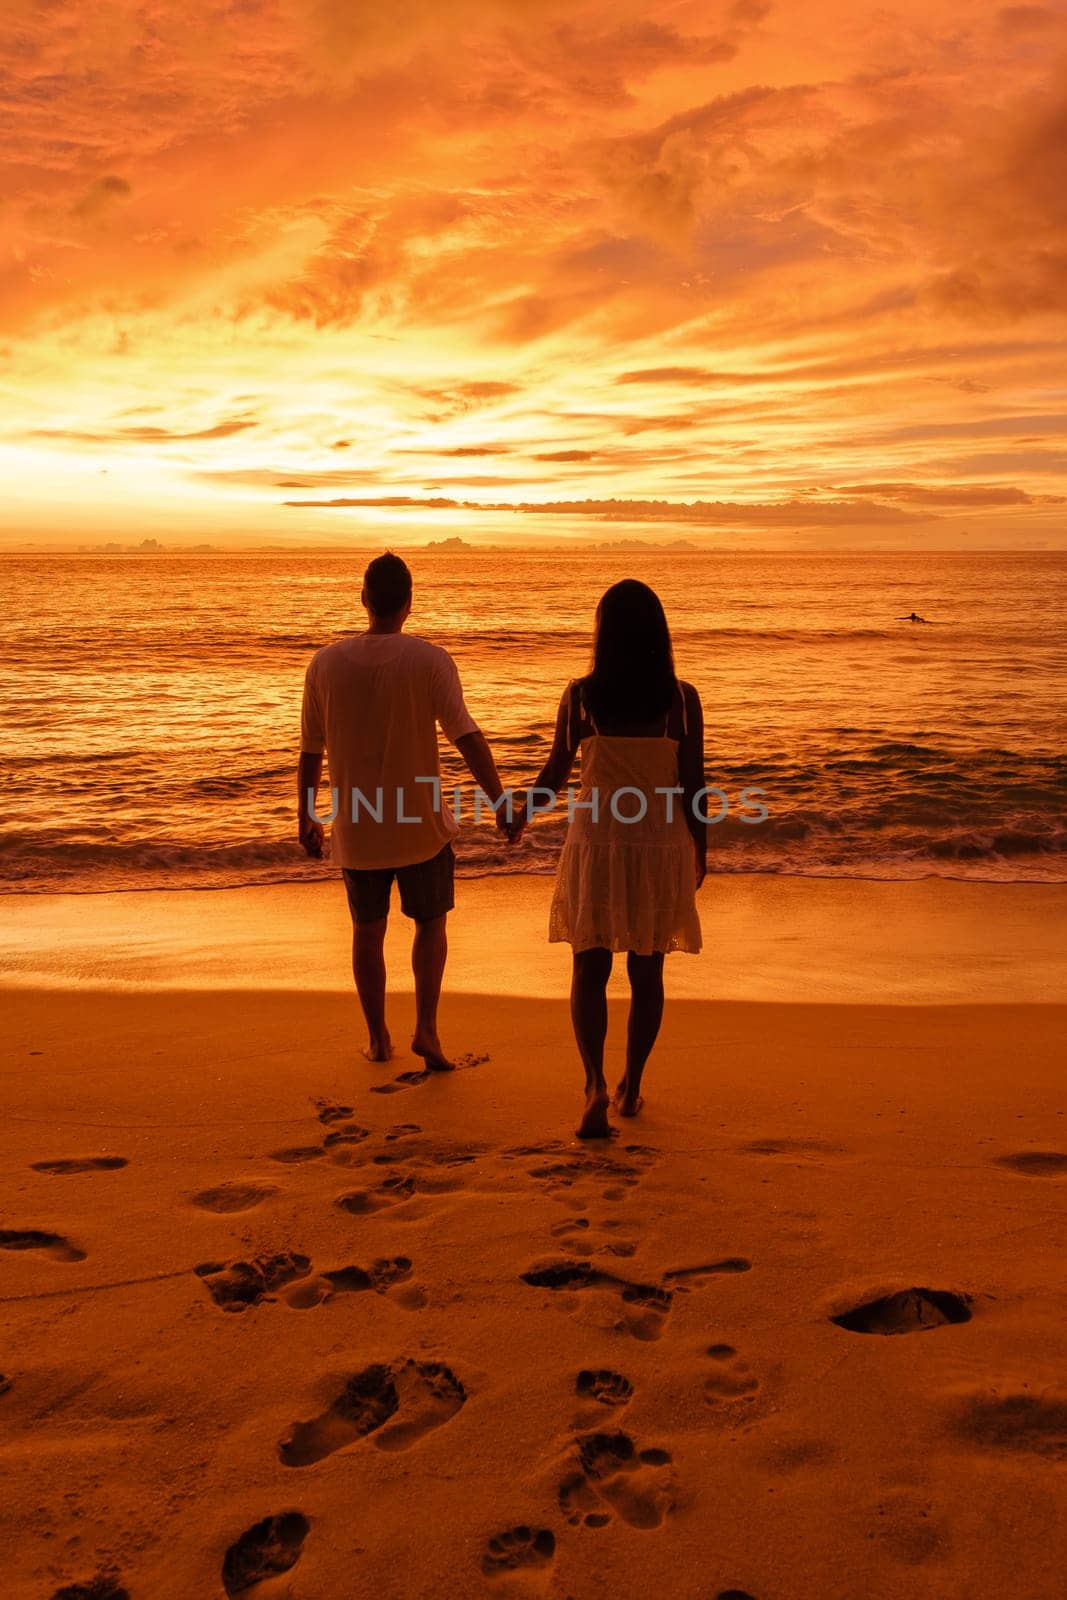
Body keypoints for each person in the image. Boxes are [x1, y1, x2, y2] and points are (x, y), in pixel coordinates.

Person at [298, 551, 510, 1071]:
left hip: (359, 826)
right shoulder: (430, 660)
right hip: (421, 827)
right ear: (408, 603)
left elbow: (310, 750)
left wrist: (307, 814)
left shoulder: (325, 663)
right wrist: (502, 803)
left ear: (364, 598)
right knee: (430, 925)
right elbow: (467, 737)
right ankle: (428, 1032)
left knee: (367, 931)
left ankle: (377, 1038)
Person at [511, 580, 706, 1139]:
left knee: (588, 968)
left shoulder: (581, 697)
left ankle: (594, 1081)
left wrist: (520, 811)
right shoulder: (681, 701)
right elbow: (693, 785)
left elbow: (553, 776)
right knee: (647, 973)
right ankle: (631, 1087)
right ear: (657, 634)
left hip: (597, 843)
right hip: (657, 845)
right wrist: (701, 848)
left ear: (604, 633)